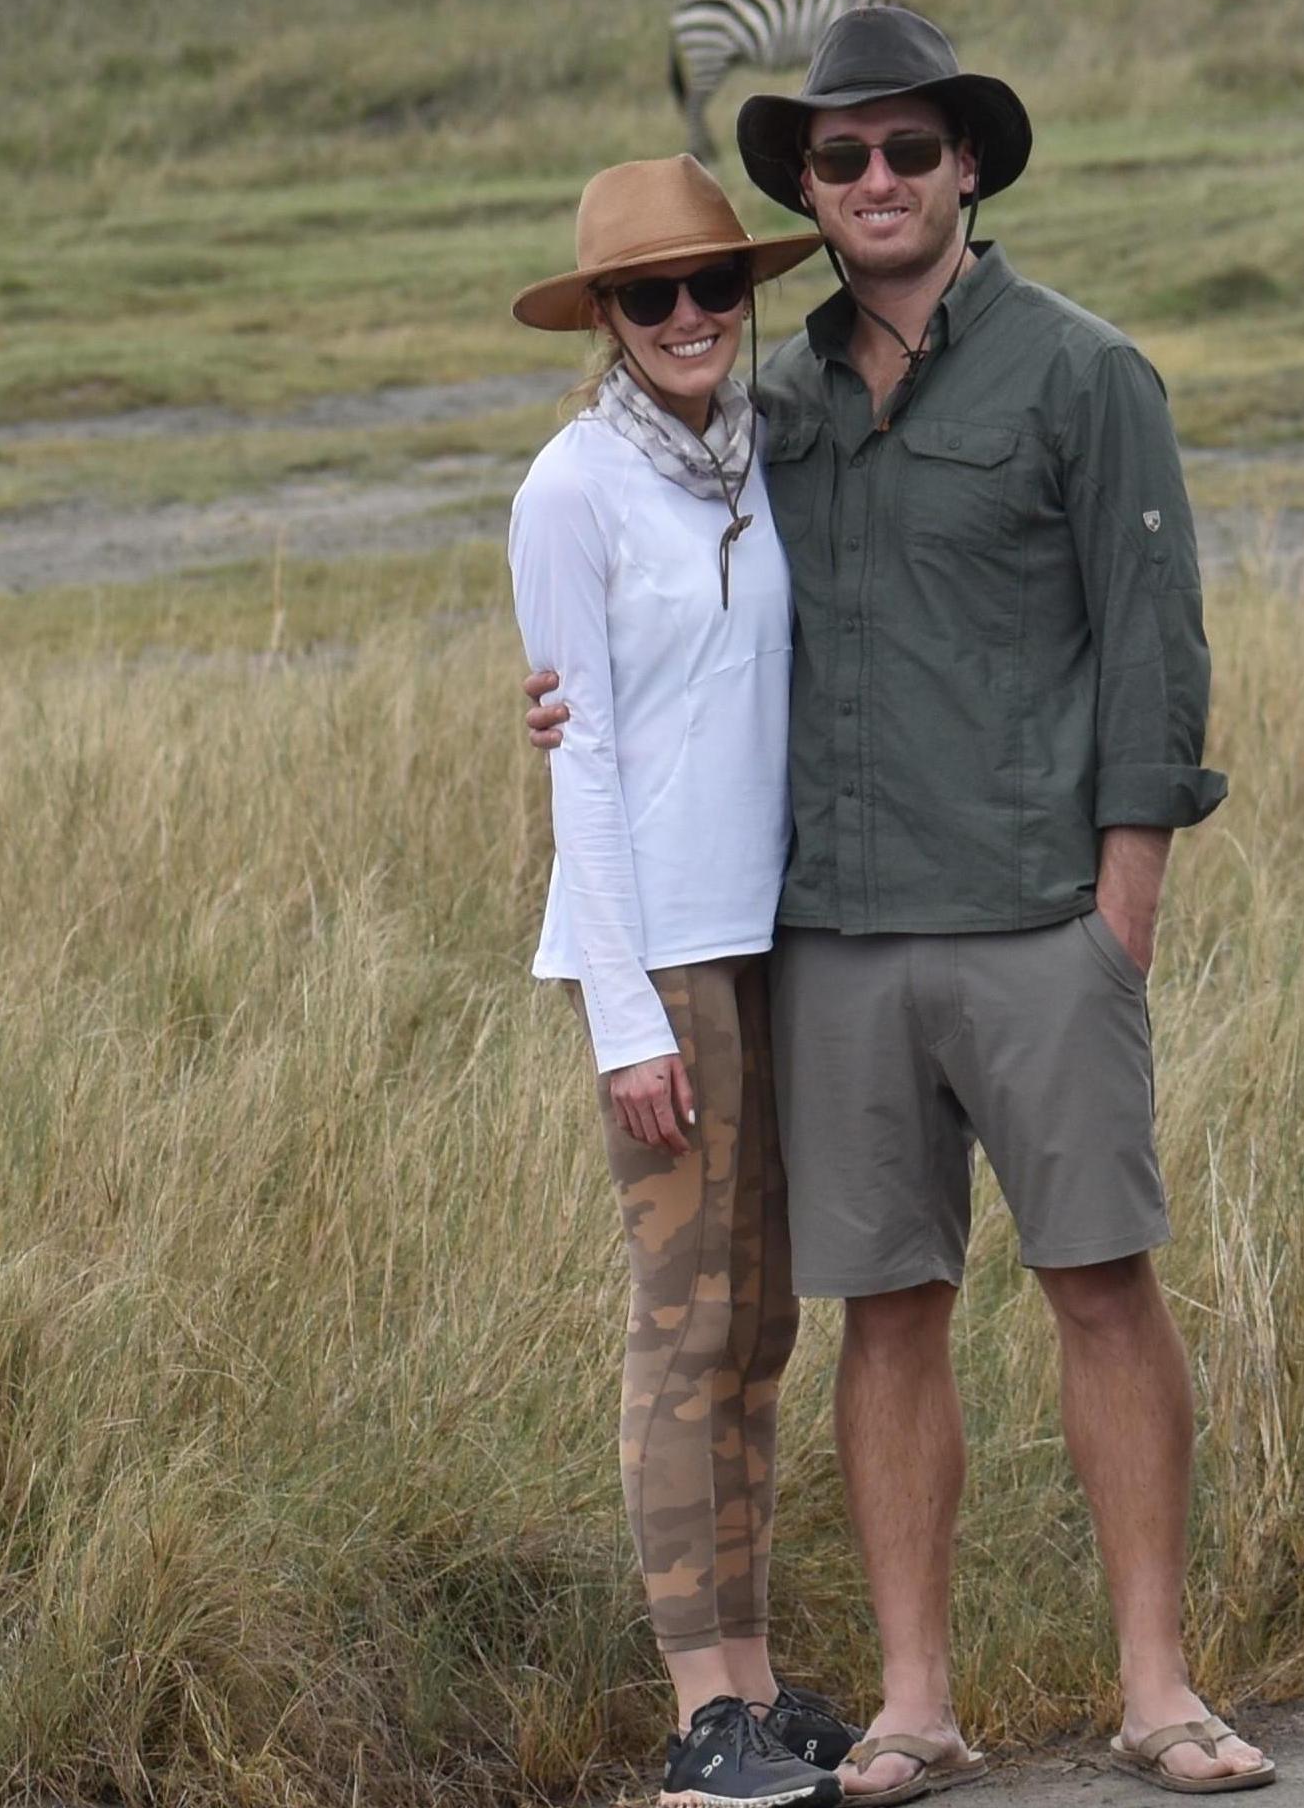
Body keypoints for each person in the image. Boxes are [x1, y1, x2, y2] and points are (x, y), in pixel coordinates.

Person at [529, 10, 1271, 1800]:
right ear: (808, 183)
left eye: (907, 153)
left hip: (1039, 920)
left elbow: (1158, 662)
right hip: (836, 940)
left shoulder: (1087, 378)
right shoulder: (763, 411)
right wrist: (564, 692)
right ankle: (912, 1705)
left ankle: (1160, 1689)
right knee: (887, 1311)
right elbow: (642, 614)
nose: (875, 182)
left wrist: (1121, 913)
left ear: (966, 171)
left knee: (1103, 1283)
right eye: (840, 159)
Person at [508, 154, 862, 1808]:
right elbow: (578, 764)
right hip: (658, 954)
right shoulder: (569, 489)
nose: (691, 317)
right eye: (651, 296)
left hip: (777, 940)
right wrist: (628, 1014)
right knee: (682, 1327)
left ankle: (765, 1681)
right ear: (604, 318)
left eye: (717, 286)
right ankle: (695, 1709)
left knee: (766, 1322)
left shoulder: (760, 456)